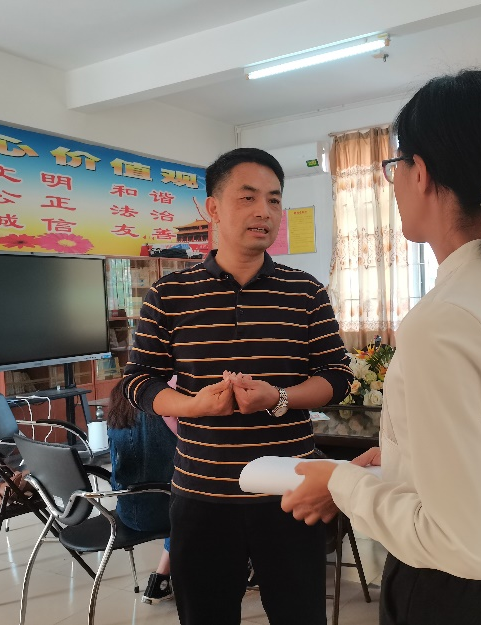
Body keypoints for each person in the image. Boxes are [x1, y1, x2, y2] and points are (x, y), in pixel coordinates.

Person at [281, 69, 481, 625]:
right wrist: (404, 462)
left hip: (454, 595)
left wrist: (340, 483)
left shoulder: (444, 322)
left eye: (395, 165)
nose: (393, 181)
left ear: (420, 172)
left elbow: (463, 546)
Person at [122, 147, 353, 625]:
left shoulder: (306, 292)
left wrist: (280, 397)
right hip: (202, 494)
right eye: (248, 198)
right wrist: (192, 406)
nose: (263, 211)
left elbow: (338, 377)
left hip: (292, 492)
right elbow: (138, 381)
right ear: (213, 207)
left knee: (300, 616)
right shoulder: (169, 295)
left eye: (274, 199)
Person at [106, 379, 176, 603]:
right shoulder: (167, 398)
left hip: (125, 509)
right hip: (163, 511)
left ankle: (161, 579)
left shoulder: (119, 393)